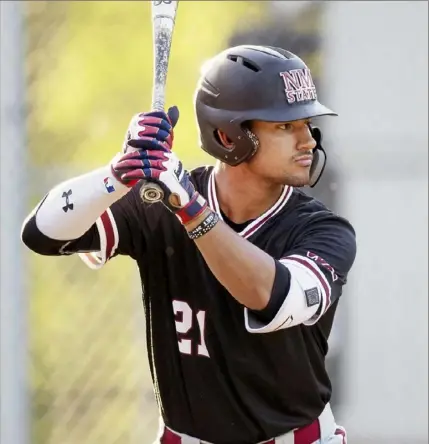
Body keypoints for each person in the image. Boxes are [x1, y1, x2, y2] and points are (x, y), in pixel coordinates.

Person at [21, 45, 356, 444]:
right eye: (284, 126)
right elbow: (42, 233)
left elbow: (269, 294)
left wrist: (191, 210)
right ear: (227, 136)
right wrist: (117, 173)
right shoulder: (164, 202)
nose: (307, 140)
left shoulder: (323, 230)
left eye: (305, 123)